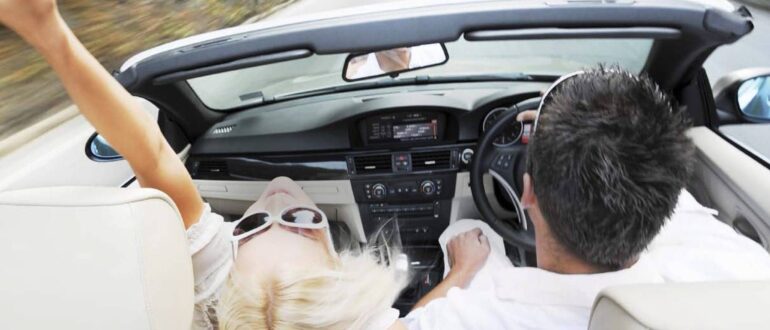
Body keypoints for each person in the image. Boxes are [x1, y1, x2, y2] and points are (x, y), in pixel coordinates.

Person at [0, 1, 408, 329]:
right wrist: (463, 269)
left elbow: (152, 153)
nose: (277, 200)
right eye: (299, 219)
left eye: (249, 227)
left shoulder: (225, 283)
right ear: (340, 270)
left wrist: (48, 32)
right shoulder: (361, 317)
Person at [401, 68, 770, 329]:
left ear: (526, 191)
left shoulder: (464, 318)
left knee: (468, 228)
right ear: (668, 199)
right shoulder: (737, 270)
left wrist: (462, 271)